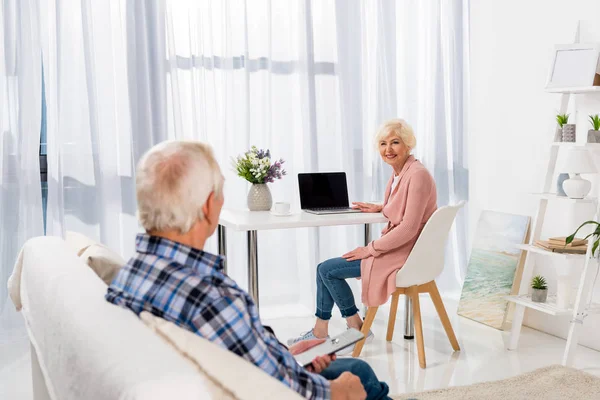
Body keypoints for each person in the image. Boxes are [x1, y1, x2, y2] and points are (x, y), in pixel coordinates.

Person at [106, 140, 391, 400]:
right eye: (220, 191)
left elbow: (240, 357)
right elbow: (277, 388)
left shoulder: (128, 274)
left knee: (354, 366)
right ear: (208, 206)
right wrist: (340, 392)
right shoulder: (212, 296)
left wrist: (285, 354)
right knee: (360, 377)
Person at [288, 119, 437, 351]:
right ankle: (333, 329)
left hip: (405, 256)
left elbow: (408, 228)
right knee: (325, 269)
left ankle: (352, 329)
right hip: (400, 250)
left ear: (408, 144)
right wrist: (382, 207)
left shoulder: (417, 175)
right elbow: (404, 209)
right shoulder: (400, 174)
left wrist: (370, 249)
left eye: (395, 142)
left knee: (326, 270)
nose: (388, 149)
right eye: (383, 143)